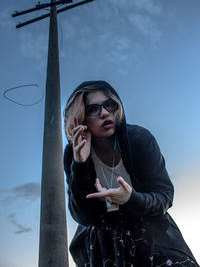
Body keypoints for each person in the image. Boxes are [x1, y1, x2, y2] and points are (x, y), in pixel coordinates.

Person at [63, 80, 199, 267]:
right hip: (104, 240)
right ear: (80, 118)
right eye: (93, 109)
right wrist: (80, 164)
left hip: (150, 232)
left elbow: (165, 196)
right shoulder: (73, 152)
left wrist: (130, 198)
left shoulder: (140, 140)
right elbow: (82, 216)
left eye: (109, 105)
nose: (104, 113)